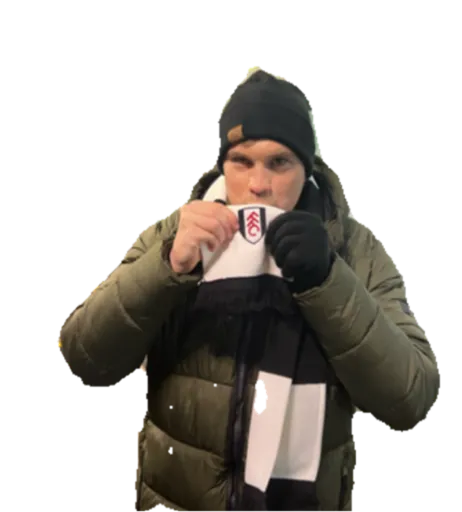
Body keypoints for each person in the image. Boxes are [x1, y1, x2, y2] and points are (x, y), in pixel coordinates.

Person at [58, 67, 440, 512]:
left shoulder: (353, 248)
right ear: (223, 164)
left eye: (280, 162)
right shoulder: (177, 232)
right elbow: (85, 360)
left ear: (306, 167)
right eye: (241, 161)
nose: (259, 184)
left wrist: (327, 281)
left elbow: (410, 400)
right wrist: (167, 268)